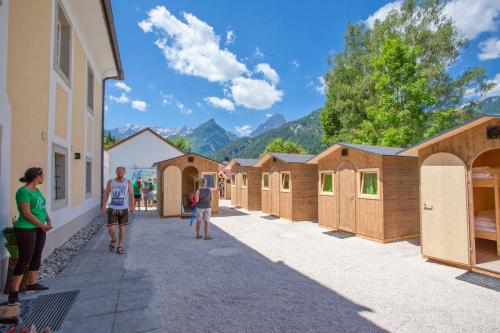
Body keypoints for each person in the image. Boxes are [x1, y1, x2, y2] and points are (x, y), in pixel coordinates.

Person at [9, 167, 52, 305]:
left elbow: (41, 207)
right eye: (42, 175)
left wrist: (48, 220)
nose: (44, 177)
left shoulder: (37, 191)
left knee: (37, 255)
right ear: (37, 176)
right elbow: (26, 213)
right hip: (26, 229)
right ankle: (14, 291)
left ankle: (32, 283)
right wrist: (42, 225)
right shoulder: (23, 192)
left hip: (39, 229)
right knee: (25, 258)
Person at [102, 166, 135, 255]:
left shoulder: (128, 182)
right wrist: (103, 206)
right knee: (111, 229)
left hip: (123, 209)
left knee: (122, 228)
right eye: (118, 172)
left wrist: (132, 207)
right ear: (116, 172)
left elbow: (131, 195)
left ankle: (120, 246)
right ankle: (113, 239)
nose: (120, 173)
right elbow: (106, 194)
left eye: (122, 172)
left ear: (124, 173)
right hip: (112, 208)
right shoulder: (110, 182)